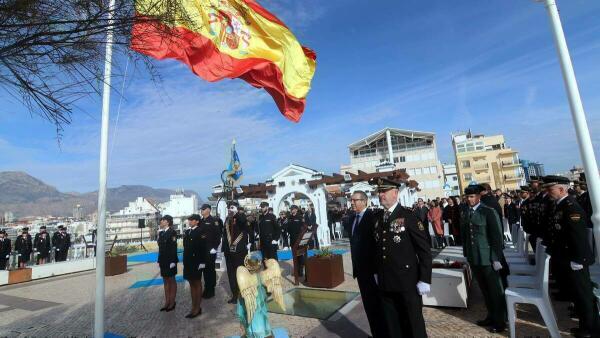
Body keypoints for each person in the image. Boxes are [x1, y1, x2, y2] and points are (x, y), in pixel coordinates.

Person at [369, 177, 432, 338]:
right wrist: (376, 271)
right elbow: (377, 248)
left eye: (384, 191)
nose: (381, 195)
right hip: (385, 280)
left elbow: (424, 250)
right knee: (392, 324)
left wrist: (425, 278)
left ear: (395, 193)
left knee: (413, 323)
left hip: (407, 281)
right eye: (379, 192)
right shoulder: (377, 218)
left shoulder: (408, 216)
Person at [544, 176, 600, 338]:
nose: (548, 193)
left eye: (550, 189)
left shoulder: (571, 207)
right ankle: (585, 326)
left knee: (584, 295)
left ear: (562, 189)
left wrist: (578, 260)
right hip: (566, 257)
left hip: (576, 259)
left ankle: (592, 330)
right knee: (578, 295)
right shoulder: (561, 205)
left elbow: (578, 237)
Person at [461, 185, 506, 333]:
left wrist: (496, 258)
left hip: (488, 258)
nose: (469, 199)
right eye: (467, 197)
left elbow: (497, 237)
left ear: (479, 197)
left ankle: (500, 321)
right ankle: (491, 315)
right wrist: (467, 254)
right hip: (475, 258)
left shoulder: (488, 212)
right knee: (485, 290)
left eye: (472, 196)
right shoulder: (466, 212)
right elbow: (466, 236)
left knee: (495, 290)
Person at [349, 190, 388, 338]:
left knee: (378, 306)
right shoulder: (352, 218)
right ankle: (376, 333)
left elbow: (378, 244)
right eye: (351, 200)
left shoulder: (372, 217)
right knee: (369, 306)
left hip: (373, 271)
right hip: (360, 271)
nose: (352, 202)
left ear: (364, 201)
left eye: (355, 200)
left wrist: (378, 270)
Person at [222, 202, 249, 304]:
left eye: (232, 207)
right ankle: (235, 294)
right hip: (228, 251)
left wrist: (236, 213)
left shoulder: (240, 217)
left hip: (239, 251)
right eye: (229, 207)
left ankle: (244, 293)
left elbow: (243, 223)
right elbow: (225, 234)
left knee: (241, 272)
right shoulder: (227, 219)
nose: (230, 209)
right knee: (231, 274)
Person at [182, 214, 208, 318]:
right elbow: (185, 246)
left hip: (197, 261)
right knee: (191, 283)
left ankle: (197, 308)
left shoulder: (201, 231)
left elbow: (204, 247)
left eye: (192, 220)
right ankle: (193, 307)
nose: (190, 221)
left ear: (197, 221)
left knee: (197, 283)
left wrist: (202, 262)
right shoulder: (187, 232)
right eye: (189, 220)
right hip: (188, 261)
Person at [199, 204, 221, 299]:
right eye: (201, 209)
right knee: (204, 270)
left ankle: (211, 290)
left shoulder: (214, 221)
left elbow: (218, 235)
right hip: (202, 250)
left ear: (208, 210)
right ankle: (206, 288)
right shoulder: (200, 221)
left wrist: (214, 248)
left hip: (210, 250)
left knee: (210, 270)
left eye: (203, 209)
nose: (202, 211)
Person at [157, 215, 178, 312]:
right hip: (163, 260)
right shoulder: (161, 233)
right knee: (165, 281)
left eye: (163, 220)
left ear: (168, 222)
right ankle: (167, 301)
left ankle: (172, 302)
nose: (161, 222)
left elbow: (174, 247)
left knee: (172, 281)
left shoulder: (172, 232)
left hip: (170, 261)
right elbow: (160, 248)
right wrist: (159, 259)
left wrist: (173, 261)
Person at [287, 205, 305, 277]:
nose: (291, 210)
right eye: (291, 209)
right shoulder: (290, 218)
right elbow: (288, 228)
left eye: (293, 209)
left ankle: (300, 272)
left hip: (299, 239)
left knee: (300, 256)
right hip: (292, 239)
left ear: (296, 210)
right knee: (294, 256)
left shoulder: (300, 217)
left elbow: (304, 227)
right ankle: (296, 271)